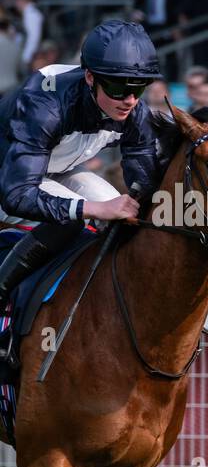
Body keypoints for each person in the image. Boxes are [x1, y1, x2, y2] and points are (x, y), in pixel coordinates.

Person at [0, 20, 161, 319]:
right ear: (90, 77)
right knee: (75, 218)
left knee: (123, 217)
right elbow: (17, 195)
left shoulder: (134, 111)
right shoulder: (44, 104)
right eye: (117, 87)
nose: (129, 100)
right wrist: (94, 209)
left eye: (138, 87)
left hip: (49, 172)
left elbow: (146, 184)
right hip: (9, 180)